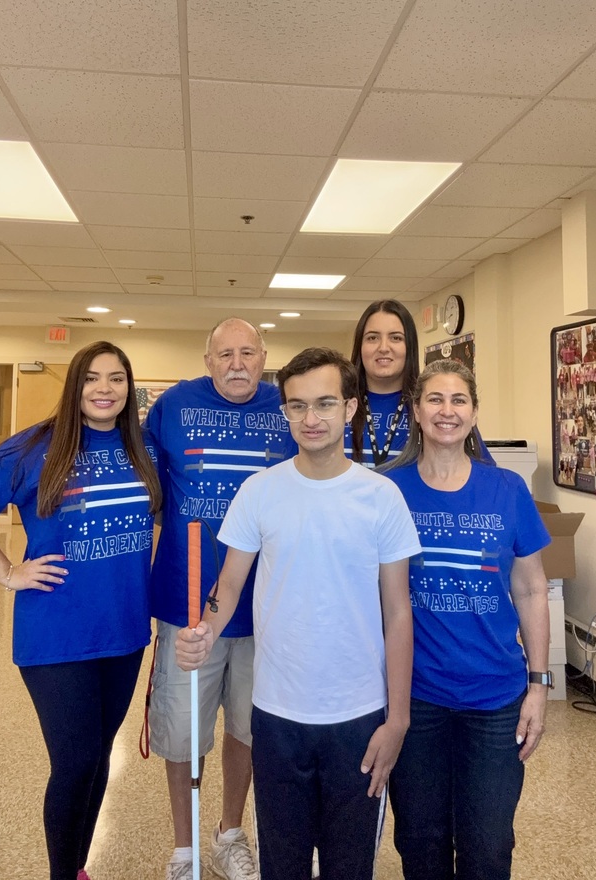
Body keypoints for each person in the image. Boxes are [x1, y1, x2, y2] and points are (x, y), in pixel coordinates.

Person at [175, 347, 420, 880]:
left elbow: (398, 612)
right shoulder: (259, 491)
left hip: (359, 716)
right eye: (297, 405)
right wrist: (205, 630)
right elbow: (229, 584)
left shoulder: (381, 497)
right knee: (282, 864)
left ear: (350, 407)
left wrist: (398, 719)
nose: (311, 418)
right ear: (284, 410)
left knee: (348, 866)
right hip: (277, 714)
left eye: (325, 403)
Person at [0, 341, 162, 880]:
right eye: (91, 378)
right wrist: (7, 572)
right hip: (56, 634)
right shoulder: (35, 447)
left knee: (99, 755)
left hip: (125, 631)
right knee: (75, 760)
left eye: (116, 378)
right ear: (75, 386)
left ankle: (78, 867)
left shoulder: (143, 449)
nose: (104, 389)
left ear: (129, 388)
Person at [384, 359, 551, 880]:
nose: (447, 410)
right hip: (415, 697)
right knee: (420, 839)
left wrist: (539, 686)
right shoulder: (387, 490)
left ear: (475, 412)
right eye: (434, 399)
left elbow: (531, 588)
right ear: (416, 411)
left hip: (495, 699)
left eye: (459, 400)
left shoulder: (507, 490)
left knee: (488, 845)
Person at [146, 318, 297, 880]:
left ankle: (229, 834)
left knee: (248, 729)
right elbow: (145, 484)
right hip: (188, 605)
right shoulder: (173, 405)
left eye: (248, 353)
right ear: (207, 359)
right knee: (182, 732)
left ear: (264, 358)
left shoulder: (288, 407)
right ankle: (184, 848)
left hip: (267, 608)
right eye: (225, 354)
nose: (237, 364)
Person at [349, 299, 493, 467]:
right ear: (360, 345)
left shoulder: (435, 408)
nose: (383, 347)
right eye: (372, 338)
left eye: (396, 338)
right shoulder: (338, 406)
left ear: (410, 346)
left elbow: (484, 473)